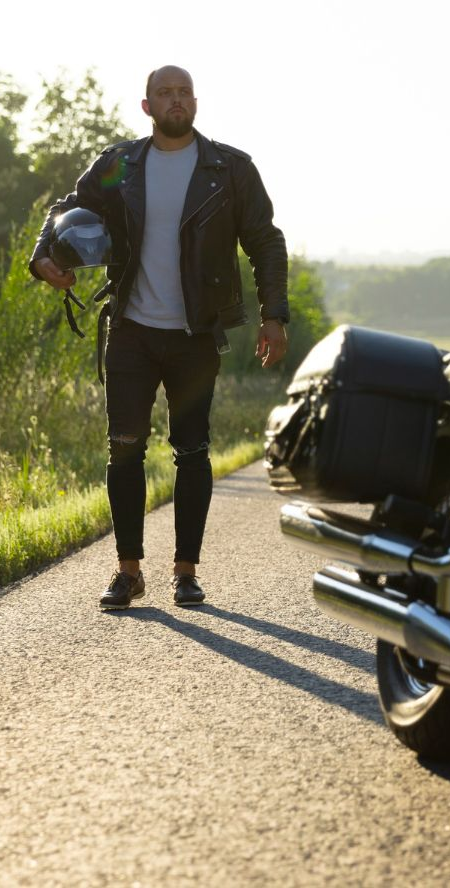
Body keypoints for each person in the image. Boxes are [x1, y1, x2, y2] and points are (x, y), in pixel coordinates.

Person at [29, 65, 289, 610]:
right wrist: (42, 256)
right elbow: (65, 210)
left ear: (195, 102)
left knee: (192, 451)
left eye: (184, 92)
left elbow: (265, 241)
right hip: (130, 330)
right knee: (123, 450)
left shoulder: (230, 169)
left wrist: (274, 316)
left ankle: (185, 573)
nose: (176, 100)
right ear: (147, 106)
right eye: (165, 93)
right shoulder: (119, 164)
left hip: (196, 334)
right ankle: (128, 572)